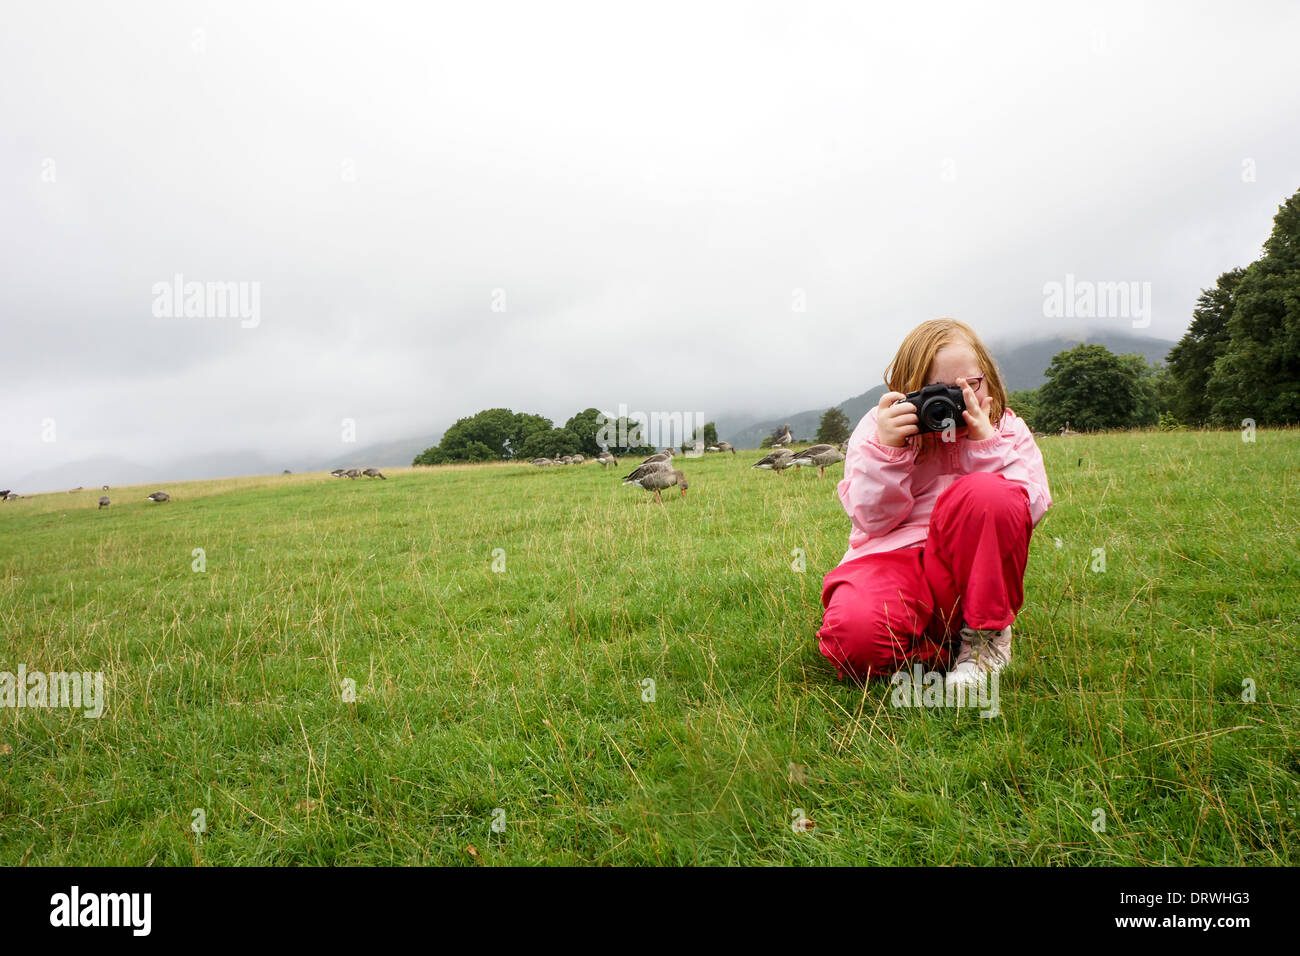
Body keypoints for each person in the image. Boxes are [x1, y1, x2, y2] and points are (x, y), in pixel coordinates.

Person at [816, 318, 1052, 690]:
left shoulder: (1006, 429)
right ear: (908, 392)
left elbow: (1028, 510)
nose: (954, 403)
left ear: (988, 379)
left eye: (970, 386)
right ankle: (941, 648)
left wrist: (986, 444)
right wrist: (888, 449)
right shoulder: (879, 428)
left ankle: (982, 641)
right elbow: (872, 521)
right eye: (936, 392)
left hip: (967, 574)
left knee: (989, 493)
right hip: (889, 561)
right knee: (854, 644)